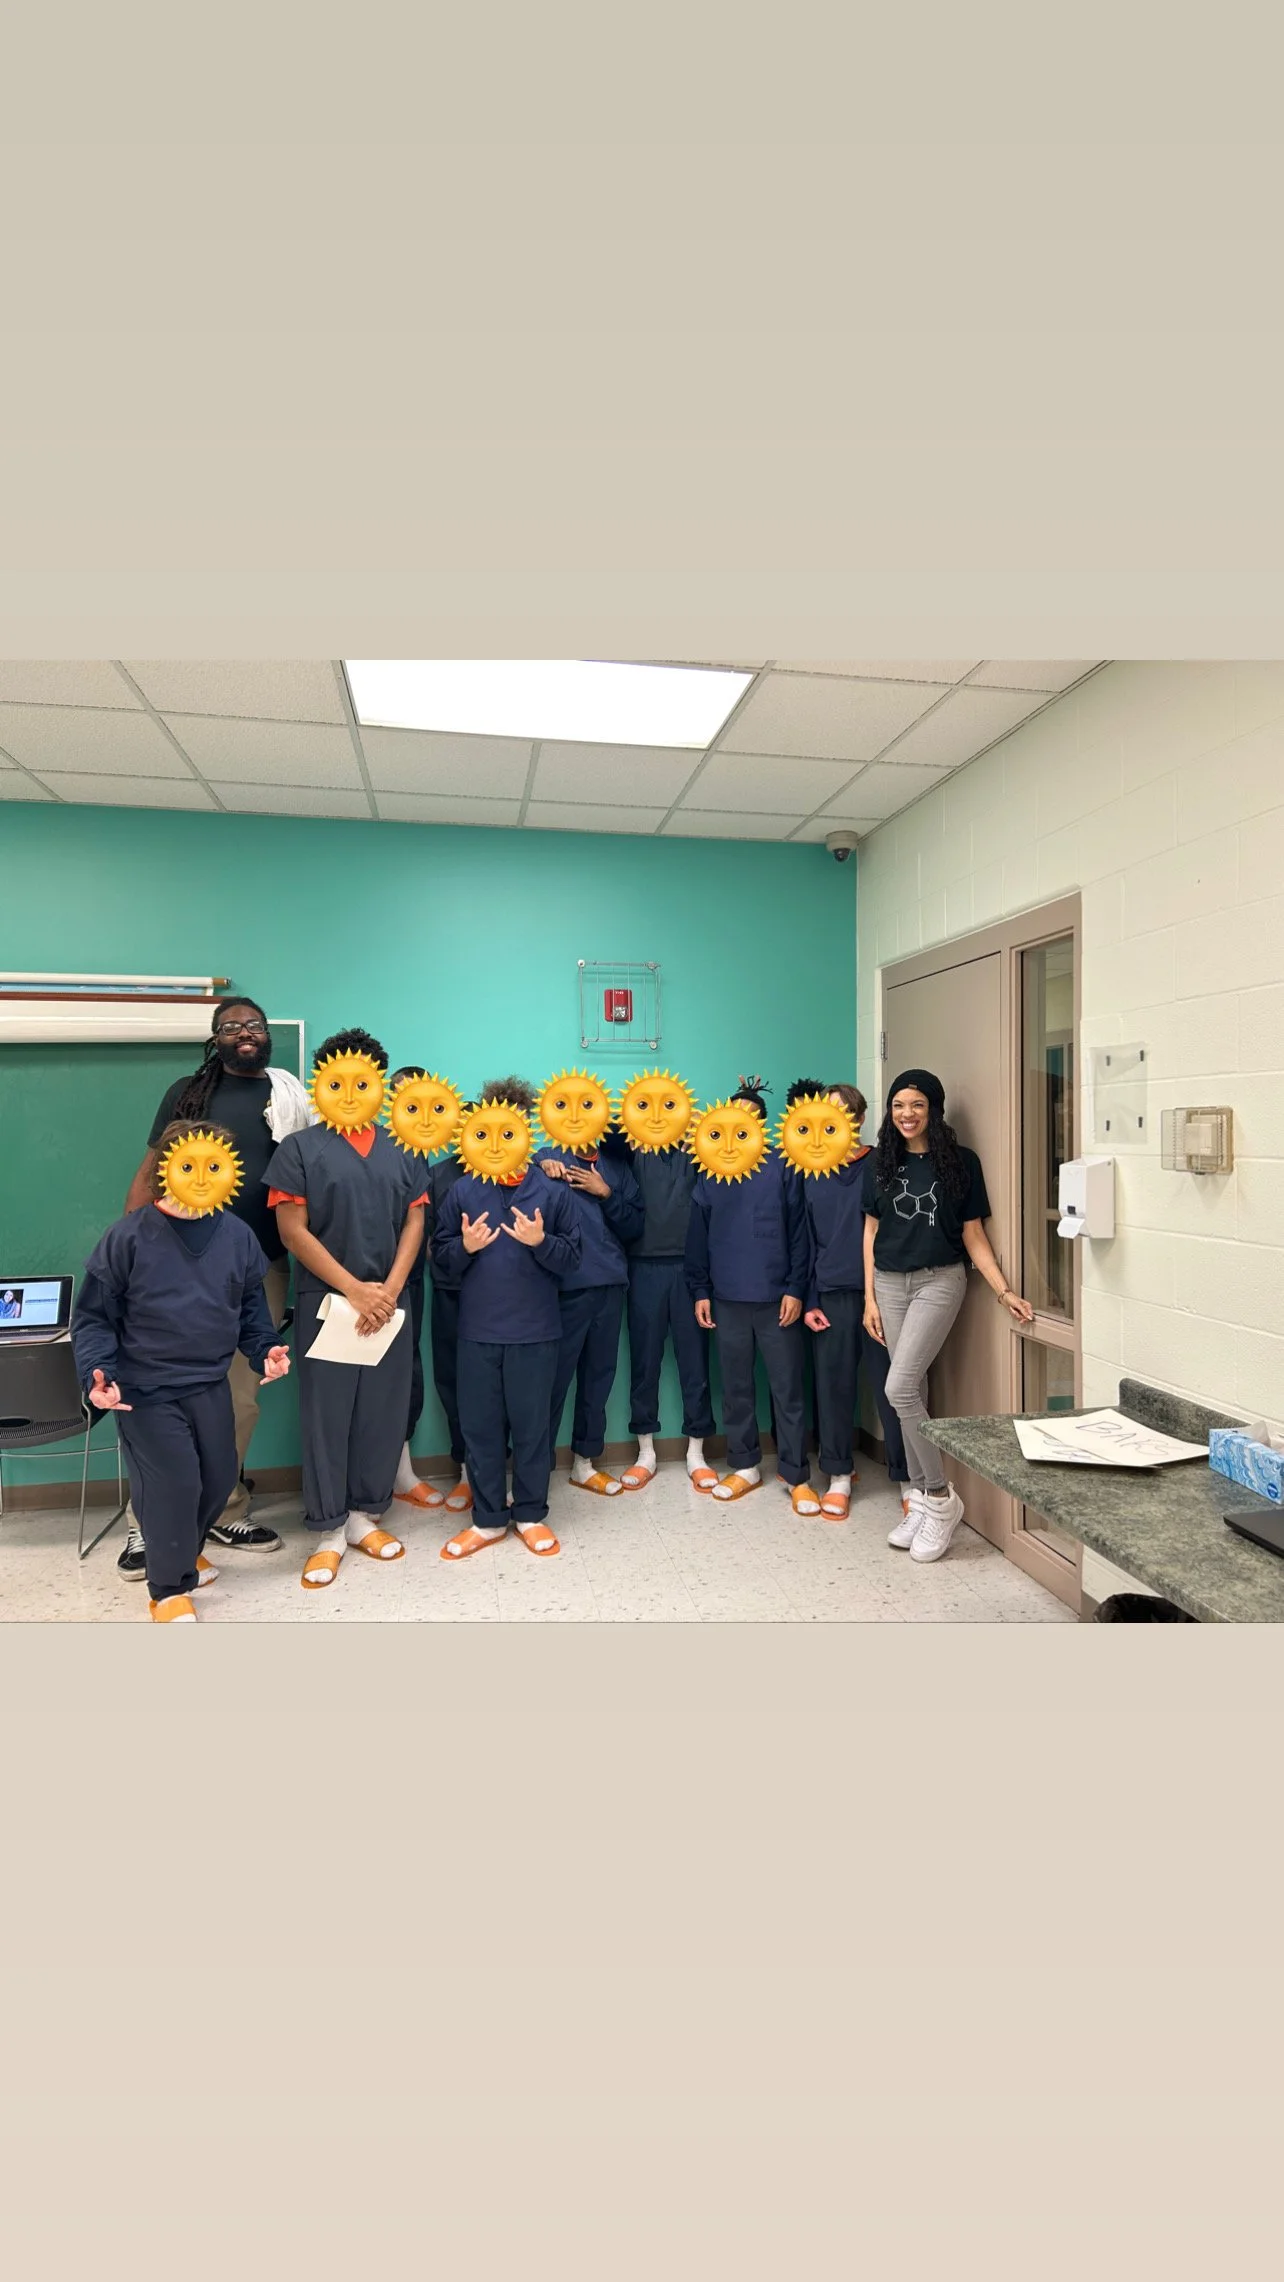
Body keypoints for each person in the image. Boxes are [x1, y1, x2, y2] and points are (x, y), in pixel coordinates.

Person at [114, 995, 315, 1577]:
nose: (244, 1033)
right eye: (231, 1026)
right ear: (215, 1037)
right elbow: (150, 1173)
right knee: (160, 1393)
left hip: (260, 1267)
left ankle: (223, 1510)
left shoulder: (287, 1096)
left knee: (240, 1397)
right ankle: (147, 1525)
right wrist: (134, 1256)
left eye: (252, 1024)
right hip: (178, 1266)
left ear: (266, 1034)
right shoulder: (188, 1093)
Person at [71, 1121, 291, 1621]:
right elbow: (92, 1318)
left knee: (216, 1480)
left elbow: (252, 1316)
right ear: (165, 1170)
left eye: (211, 1167)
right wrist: (97, 1372)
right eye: (187, 1166)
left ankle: (182, 1550)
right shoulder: (127, 1237)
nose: (198, 1176)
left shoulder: (236, 1236)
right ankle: (168, 1589)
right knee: (174, 1483)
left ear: (228, 1172)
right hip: (144, 1391)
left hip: (208, 1385)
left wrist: (267, 1352)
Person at [266, 1027, 429, 1592]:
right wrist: (355, 1290)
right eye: (340, 1079)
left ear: (380, 1085)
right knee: (327, 1417)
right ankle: (329, 1531)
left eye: (365, 1081)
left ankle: (364, 1516)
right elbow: (292, 1230)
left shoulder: (403, 1148)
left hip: (391, 1300)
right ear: (322, 1083)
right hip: (327, 1302)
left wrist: (388, 1289)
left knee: (382, 1414)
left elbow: (414, 1221)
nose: (353, 1090)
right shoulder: (299, 1151)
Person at [863, 1068, 1033, 1563]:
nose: (906, 1114)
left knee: (898, 1388)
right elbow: (871, 1234)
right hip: (890, 1284)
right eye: (898, 1105)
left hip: (940, 1280)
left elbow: (974, 1235)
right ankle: (919, 1497)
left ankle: (940, 1499)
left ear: (933, 1110)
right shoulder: (882, 1163)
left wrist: (1003, 1291)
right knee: (912, 1392)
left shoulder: (960, 1162)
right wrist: (870, 1298)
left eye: (916, 1104)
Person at [432, 1086, 581, 1559]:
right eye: (487, 1132)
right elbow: (440, 1261)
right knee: (480, 1428)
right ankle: (489, 1519)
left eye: (509, 1131)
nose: (497, 1142)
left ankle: (532, 1513)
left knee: (533, 1428)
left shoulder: (554, 1192)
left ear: (526, 1132)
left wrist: (541, 1243)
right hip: (477, 1333)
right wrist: (466, 1248)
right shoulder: (462, 1190)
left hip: (536, 1334)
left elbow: (573, 1260)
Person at [684, 1084, 817, 1513]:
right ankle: (744, 1466)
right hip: (727, 1298)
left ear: (760, 1124)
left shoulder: (784, 1168)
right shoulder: (710, 1170)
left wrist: (796, 1288)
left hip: (777, 1300)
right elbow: (698, 1240)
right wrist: (701, 1291)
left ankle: (796, 1474)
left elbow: (801, 1236)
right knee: (736, 1388)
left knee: (788, 1390)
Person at [799, 1083, 910, 1520]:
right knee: (833, 1389)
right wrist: (809, 1299)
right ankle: (839, 1476)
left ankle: (909, 1479)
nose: (833, 1122)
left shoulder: (884, 1164)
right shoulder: (810, 1169)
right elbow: (802, 1241)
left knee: (895, 1390)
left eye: (843, 1113)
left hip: (881, 1295)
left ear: (859, 1120)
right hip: (829, 1296)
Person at [535, 1094, 645, 1499]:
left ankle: (585, 1463)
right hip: (564, 1292)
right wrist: (540, 1164)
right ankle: (537, 1469)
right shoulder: (549, 1160)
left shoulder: (617, 1168)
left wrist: (606, 1193)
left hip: (610, 1287)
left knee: (599, 1379)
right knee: (552, 1382)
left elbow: (635, 1225)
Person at [384, 1070, 474, 1519]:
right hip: (375, 1282)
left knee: (416, 1373)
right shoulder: (383, 1152)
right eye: (405, 1100)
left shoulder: (443, 1165)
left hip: (431, 1285)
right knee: (398, 1374)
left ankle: (469, 1473)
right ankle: (389, 1477)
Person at [610, 1123, 715, 1492]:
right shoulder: (632, 1147)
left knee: (695, 1364)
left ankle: (696, 1453)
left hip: (690, 1271)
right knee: (644, 1363)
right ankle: (646, 1453)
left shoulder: (702, 1149)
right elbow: (603, 1135)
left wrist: (702, 1135)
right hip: (643, 1268)